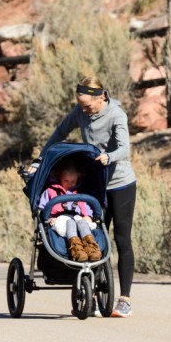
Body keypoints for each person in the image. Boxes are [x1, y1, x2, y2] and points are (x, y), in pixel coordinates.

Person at [37, 76, 136, 318]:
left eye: (88, 106)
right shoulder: (80, 112)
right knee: (93, 236)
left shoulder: (116, 115)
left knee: (121, 239)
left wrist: (109, 156)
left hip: (119, 184)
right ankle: (90, 296)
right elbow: (61, 131)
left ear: (101, 97)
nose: (84, 111)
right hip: (94, 184)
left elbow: (124, 147)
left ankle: (124, 299)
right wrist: (42, 158)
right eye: (81, 106)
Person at [38, 161, 101, 262]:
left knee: (82, 222)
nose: (69, 184)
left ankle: (91, 247)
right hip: (59, 219)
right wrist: (49, 219)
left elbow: (86, 207)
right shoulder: (50, 191)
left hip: (77, 218)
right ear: (59, 177)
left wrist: (88, 216)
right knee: (70, 222)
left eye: (73, 182)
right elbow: (42, 208)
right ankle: (76, 250)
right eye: (66, 181)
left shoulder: (79, 193)